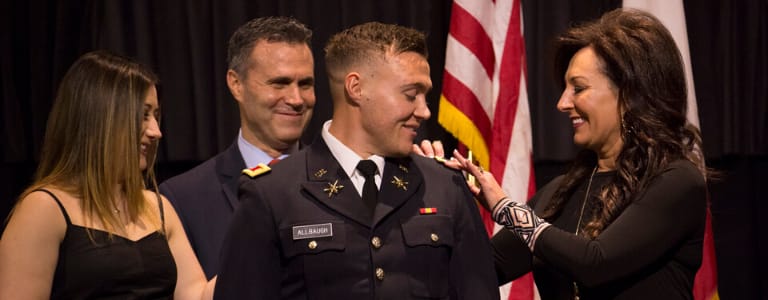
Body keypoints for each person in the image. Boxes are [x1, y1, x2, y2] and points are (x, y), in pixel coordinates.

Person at [214, 22, 499, 299]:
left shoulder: (445, 185)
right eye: (411, 94)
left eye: (426, 96)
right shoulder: (272, 192)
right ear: (356, 88)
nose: (424, 111)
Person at [438, 8, 709, 299]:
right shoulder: (561, 193)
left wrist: (506, 209)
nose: (562, 103)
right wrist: (439, 193)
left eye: (578, 88)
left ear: (630, 95)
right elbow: (479, 269)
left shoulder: (677, 181)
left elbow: (596, 262)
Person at [0, 51, 214, 299]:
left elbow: (196, 295)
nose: (156, 132)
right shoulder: (44, 208)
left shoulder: (157, 207)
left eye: (155, 116)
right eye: (143, 115)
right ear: (102, 119)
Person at [158, 16, 316, 279]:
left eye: (305, 84)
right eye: (279, 83)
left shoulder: (343, 181)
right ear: (236, 84)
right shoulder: (183, 198)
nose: (296, 99)